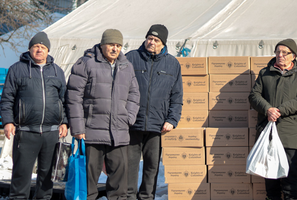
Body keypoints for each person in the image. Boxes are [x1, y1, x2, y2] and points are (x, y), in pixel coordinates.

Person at [66, 29, 140, 200]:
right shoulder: (86, 63)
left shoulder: (127, 66)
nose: (115, 49)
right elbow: (74, 96)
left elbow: (134, 95)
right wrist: (78, 127)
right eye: (111, 45)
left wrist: (128, 118)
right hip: (91, 132)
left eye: (118, 45)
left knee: (119, 187)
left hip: (119, 134)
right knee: (88, 184)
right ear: (102, 44)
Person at [0, 32, 68, 199]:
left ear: (48, 50)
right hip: (25, 132)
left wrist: (65, 122)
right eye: (36, 46)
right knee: (21, 177)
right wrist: (8, 121)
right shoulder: (17, 69)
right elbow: (7, 98)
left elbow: (65, 100)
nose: (39, 50)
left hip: (51, 133)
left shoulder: (57, 71)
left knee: (46, 180)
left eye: (43, 47)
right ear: (30, 49)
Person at [249, 38, 297, 200]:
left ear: (294, 56)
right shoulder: (265, 73)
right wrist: (267, 109)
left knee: (289, 179)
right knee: (270, 179)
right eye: (278, 52)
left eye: (285, 53)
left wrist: (279, 111)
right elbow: (254, 95)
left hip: (290, 135)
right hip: (267, 132)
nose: (280, 55)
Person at [125, 24, 183, 200]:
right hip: (133, 123)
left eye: (156, 40)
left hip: (158, 126)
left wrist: (172, 120)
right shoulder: (131, 58)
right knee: (130, 166)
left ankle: (147, 197)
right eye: (149, 38)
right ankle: (129, 197)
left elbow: (177, 95)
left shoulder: (172, 64)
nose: (151, 42)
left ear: (163, 43)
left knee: (152, 167)